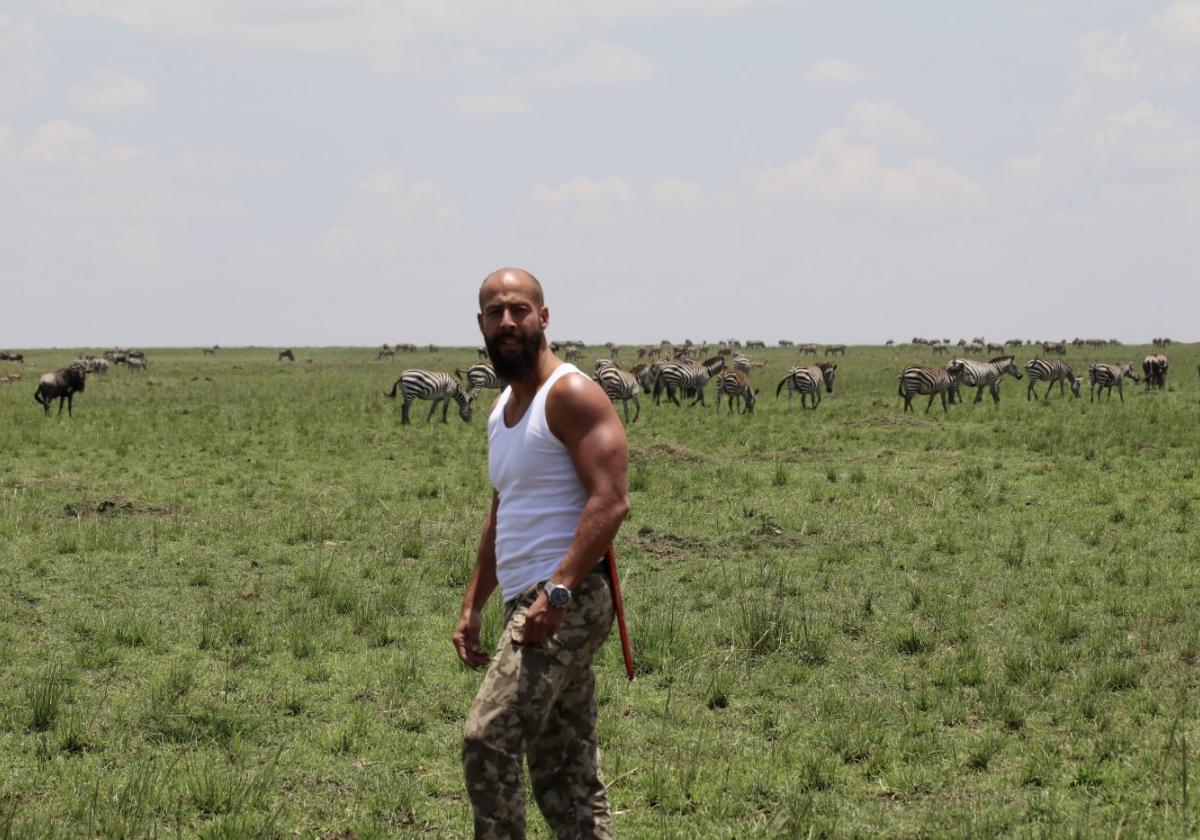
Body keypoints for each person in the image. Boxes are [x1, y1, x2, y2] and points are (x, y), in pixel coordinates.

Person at [454, 267, 630, 839]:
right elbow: (502, 511)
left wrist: (558, 590)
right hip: (526, 598)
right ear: (480, 323)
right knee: (565, 770)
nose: (508, 321)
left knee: (488, 738)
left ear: (544, 317)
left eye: (520, 309)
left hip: (565, 596)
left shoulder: (571, 393)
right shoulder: (502, 409)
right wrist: (472, 607)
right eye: (496, 312)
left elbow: (612, 500)